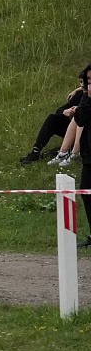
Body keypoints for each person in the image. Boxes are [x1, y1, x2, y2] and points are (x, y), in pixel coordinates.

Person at [19, 66, 87, 165]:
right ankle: (35, 151)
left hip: (85, 132)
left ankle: (67, 152)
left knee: (79, 118)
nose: (83, 85)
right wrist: (65, 111)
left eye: (85, 82)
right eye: (81, 82)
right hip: (73, 130)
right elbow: (59, 110)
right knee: (52, 118)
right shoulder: (80, 95)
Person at [72, 68, 91, 247]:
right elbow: (80, 119)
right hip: (89, 155)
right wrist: (87, 99)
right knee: (86, 191)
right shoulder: (87, 97)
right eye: (88, 80)